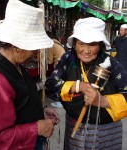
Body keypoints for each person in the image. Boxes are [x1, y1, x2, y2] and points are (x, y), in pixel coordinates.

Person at [0, 0, 59, 149]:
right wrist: (37, 128)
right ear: (16, 46)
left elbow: (20, 104)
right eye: (34, 48)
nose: (36, 54)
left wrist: (39, 113)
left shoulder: (16, 66)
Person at [45, 17, 127, 150]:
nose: (86, 50)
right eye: (81, 44)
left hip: (106, 132)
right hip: (74, 125)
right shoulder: (68, 59)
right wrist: (77, 86)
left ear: (100, 44)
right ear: (75, 43)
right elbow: (50, 85)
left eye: (92, 44)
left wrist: (103, 100)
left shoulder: (111, 64)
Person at [46, 38, 65, 108]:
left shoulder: (50, 45)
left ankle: (58, 101)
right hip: (63, 63)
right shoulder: (56, 43)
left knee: (54, 82)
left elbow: (49, 61)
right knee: (61, 82)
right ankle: (60, 100)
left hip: (59, 65)